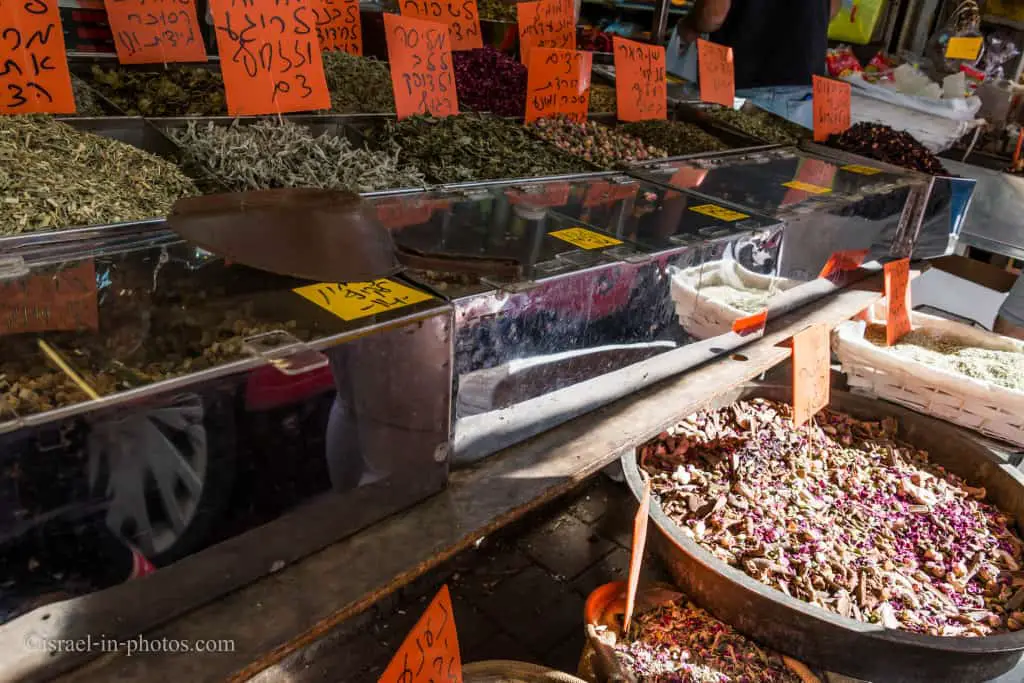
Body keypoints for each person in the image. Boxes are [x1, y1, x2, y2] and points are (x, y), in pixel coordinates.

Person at [673, 0, 841, 128]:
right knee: (786, 170)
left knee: (740, 170)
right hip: (807, 88)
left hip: (747, 91)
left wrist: (689, 24)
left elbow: (711, 17)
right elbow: (832, 9)